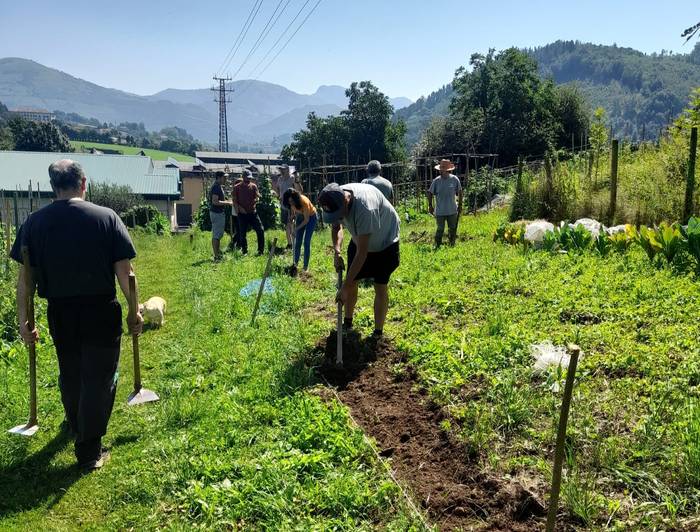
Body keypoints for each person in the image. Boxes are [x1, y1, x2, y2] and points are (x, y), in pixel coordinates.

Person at [11, 159, 143, 470]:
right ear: (83, 183)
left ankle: (77, 425)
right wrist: (134, 310)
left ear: (53, 186)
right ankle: (88, 448)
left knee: (71, 373)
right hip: (100, 309)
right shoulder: (106, 218)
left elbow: (25, 280)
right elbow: (125, 271)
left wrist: (22, 322)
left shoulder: (34, 223)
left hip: (61, 312)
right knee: (98, 378)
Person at [318, 182, 400, 338]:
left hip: (385, 242)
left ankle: (377, 333)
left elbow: (362, 253)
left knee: (380, 285)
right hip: (359, 239)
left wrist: (344, 287)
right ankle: (347, 323)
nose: (339, 219)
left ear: (346, 201)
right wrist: (337, 251)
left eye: (340, 215)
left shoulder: (365, 208)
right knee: (353, 280)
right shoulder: (333, 198)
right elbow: (336, 228)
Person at [427, 159, 463, 247]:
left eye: (442, 169)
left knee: (452, 228)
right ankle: (437, 244)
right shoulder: (436, 181)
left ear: (447, 170)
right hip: (440, 211)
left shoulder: (454, 179)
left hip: (452, 210)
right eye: (440, 169)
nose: (440, 171)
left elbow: (460, 192)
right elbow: (430, 193)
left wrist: (460, 205)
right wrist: (430, 205)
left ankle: (452, 243)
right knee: (440, 229)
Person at [282, 188, 318, 272]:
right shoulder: (291, 202)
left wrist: (296, 229)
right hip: (300, 216)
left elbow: (306, 220)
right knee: (297, 242)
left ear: (295, 199)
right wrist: (292, 217)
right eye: (289, 202)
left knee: (306, 242)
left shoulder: (304, 202)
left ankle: (305, 267)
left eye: (291, 201)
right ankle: (295, 264)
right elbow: (293, 210)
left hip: (311, 217)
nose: (290, 203)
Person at [233, 169, 265, 255]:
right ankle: (244, 251)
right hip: (242, 214)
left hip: (253, 213)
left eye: (250, 178)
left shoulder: (253, 186)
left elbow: (257, 196)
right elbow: (235, 201)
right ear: (243, 177)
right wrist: (239, 210)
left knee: (260, 230)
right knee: (242, 233)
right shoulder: (237, 187)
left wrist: (257, 198)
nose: (249, 180)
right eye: (247, 178)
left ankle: (260, 251)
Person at [274, 164, 302, 250]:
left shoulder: (292, 178)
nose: (281, 171)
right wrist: (279, 195)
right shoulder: (280, 179)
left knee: (291, 223)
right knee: (287, 224)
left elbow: (300, 190)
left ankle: (293, 243)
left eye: (283, 169)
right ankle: (290, 243)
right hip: (283, 204)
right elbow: (277, 188)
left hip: (292, 204)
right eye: (281, 169)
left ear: (287, 170)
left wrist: (296, 182)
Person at [209, 171, 233, 260]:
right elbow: (215, 201)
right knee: (216, 235)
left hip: (217, 213)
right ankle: (216, 256)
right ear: (219, 177)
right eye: (224, 177)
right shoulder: (216, 187)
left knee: (218, 234)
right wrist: (228, 203)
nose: (225, 179)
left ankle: (217, 253)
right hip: (217, 213)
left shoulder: (218, 186)